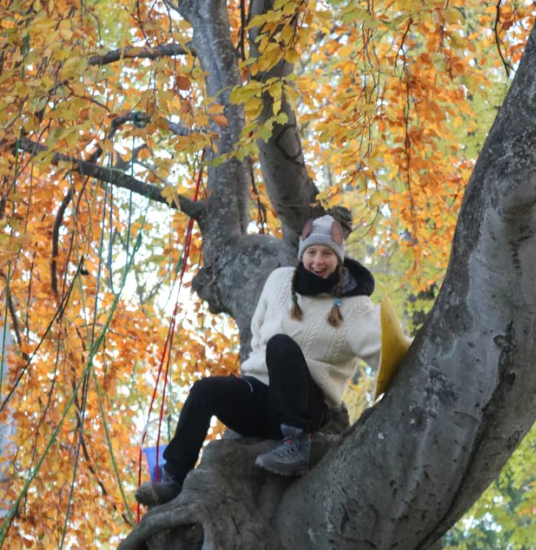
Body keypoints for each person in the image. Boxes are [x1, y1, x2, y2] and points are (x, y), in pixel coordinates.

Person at [135, 215, 382, 507]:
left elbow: (382, 352)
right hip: (262, 398)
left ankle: (296, 445)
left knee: (281, 345)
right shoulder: (279, 281)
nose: (318, 260)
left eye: (327, 253)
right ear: (302, 254)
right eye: (312, 252)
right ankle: (173, 480)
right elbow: (256, 332)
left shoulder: (357, 307)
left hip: (307, 406)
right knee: (204, 391)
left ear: (339, 258)